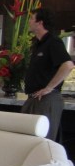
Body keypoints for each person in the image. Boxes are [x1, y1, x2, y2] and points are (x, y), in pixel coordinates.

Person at [21, 7, 74, 141]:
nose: (29, 21)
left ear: (40, 23)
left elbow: (68, 65)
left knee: (43, 141)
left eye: (32, 18)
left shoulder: (53, 42)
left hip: (47, 99)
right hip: (34, 98)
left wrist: (49, 88)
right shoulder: (38, 44)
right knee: (27, 139)